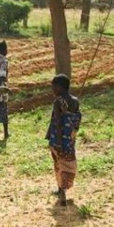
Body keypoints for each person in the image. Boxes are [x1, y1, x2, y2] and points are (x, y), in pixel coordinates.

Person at [45, 74, 81, 206]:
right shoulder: (75, 101)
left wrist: (57, 140)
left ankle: (62, 191)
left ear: (59, 88)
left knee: (58, 163)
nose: (52, 90)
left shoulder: (58, 102)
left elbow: (58, 121)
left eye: (53, 87)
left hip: (58, 138)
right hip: (70, 139)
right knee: (68, 161)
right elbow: (76, 120)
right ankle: (63, 188)